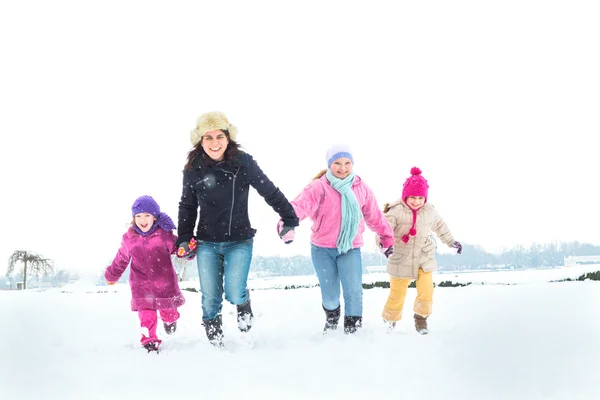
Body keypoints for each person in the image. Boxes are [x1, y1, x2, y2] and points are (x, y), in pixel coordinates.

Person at [176, 111, 298, 347]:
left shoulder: (243, 163)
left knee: (233, 291)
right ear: (200, 141)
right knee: (210, 298)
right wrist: (184, 238)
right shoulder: (193, 169)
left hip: (239, 240)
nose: (214, 142)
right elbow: (187, 205)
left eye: (219, 136)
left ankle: (243, 303)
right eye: (208, 137)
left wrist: (289, 217)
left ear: (228, 136)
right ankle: (216, 345)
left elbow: (269, 191)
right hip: (207, 242)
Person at [287, 144, 395, 334]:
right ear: (329, 164)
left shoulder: (361, 188)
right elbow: (300, 206)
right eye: (337, 163)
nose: (343, 167)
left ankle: (353, 333)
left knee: (353, 292)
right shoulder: (318, 187)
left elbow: (375, 216)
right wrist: (287, 222)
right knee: (330, 297)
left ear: (353, 164)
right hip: (322, 249)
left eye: (347, 163)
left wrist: (386, 237)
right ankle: (332, 316)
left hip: (350, 248)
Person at [377, 167, 462, 335]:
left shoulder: (429, 211)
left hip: (424, 256)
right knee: (397, 294)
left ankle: (421, 319)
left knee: (426, 290)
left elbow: (440, 227)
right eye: (413, 197)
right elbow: (383, 230)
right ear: (405, 196)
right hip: (400, 257)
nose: (416, 201)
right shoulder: (395, 211)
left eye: (420, 198)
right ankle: (390, 321)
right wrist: (386, 246)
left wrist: (451, 242)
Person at [105, 195, 185, 353]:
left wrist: (186, 250)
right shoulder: (129, 239)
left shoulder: (164, 235)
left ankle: (170, 320)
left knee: (169, 313)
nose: (143, 219)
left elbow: (178, 249)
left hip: (165, 286)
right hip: (141, 287)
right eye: (138, 216)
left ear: (154, 217)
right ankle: (149, 340)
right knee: (146, 316)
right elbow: (121, 259)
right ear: (133, 218)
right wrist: (112, 275)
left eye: (147, 215)